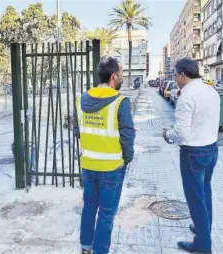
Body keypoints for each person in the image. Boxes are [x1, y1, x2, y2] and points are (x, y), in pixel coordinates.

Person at [73, 57, 135, 254]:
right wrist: (127, 158)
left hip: (88, 165)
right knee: (107, 213)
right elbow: (127, 136)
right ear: (114, 76)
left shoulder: (81, 99)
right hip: (111, 168)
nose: (122, 77)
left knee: (90, 207)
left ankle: (85, 247)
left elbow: (77, 131)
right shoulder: (120, 102)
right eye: (122, 74)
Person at [162, 58, 220, 254]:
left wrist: (166, 134)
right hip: (211, 149)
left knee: (195, 198)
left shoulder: (187, 96)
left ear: (183, 75)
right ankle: (204, 226)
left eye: (175, 75)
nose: (175, 79)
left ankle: (202, 244)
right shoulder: (211, 91)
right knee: (205, 192)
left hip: (193, 153)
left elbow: (181, 133)